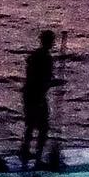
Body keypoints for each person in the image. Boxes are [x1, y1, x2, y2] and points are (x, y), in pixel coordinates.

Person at [18, 29, 61, 168]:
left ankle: (25, 151)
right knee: (43, 127)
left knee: (30, 124)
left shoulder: (35, 56)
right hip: (37, 95)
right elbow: (44, 80)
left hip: (29, 94)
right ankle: (37, 158)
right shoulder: (45, 58)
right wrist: (56, 83)